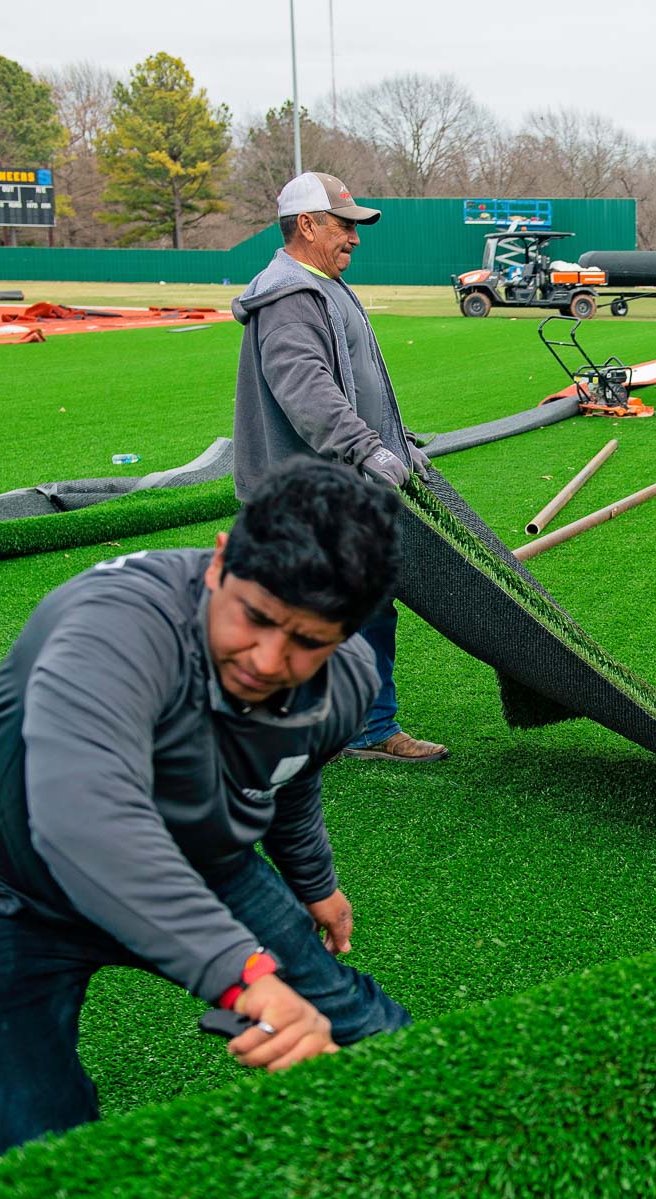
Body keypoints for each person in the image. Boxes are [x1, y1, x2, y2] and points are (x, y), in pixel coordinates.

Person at [0, 461, 414, 1162]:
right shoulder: (113, 623)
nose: (270, 659)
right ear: (218, 563)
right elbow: (86, 822)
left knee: (372, 1034)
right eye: (257, 618)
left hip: (204, 863)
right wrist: (243, 974)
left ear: (348, 635)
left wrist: (314, 880)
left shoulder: (348, 678)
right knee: (21, 1143)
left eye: (307, 641)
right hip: (0, 885)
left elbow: (292, 767)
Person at [232, 170, 448, 764]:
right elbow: (307, 390)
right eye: (344, 225)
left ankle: (338, 722)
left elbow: (353, 384)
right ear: (307, 224)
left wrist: (398, 444)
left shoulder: (319, 285)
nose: (355, 238)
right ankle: (363, 728)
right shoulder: (292, 296)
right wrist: (364, 449)